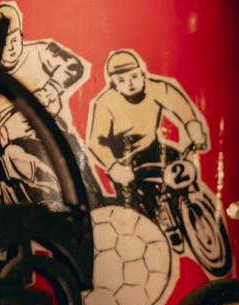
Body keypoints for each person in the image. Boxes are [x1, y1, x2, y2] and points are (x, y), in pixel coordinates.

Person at [0, 2, 88, 205]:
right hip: (4, 142)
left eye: (14, 40)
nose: (10, 47)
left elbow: (73, 65)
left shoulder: (41, 51)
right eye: (5, 42)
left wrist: (52, 87)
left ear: (21, 36)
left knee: (18, 158)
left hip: (40, 139)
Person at [86, 49, 208, 218]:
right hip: (124, 163)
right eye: (121, 80)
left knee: (180, 164)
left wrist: (194, 129)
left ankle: (194, 204)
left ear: (142, 74)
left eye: (134, 76)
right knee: (136, 210)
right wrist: (113, 166)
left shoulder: (157, 89)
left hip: (152, 149)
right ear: (113, 84)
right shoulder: (105, 103)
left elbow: (181, 107)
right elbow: (95, 142)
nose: (130, 83)